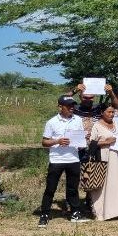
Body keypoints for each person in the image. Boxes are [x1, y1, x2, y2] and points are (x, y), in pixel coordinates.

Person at [38, 95, 89, 227]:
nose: (72, 108)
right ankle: (44, 214)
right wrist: (57, 141)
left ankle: (75, 213)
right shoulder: (52, 122)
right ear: (60, 107)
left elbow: (79, 137)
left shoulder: (77, 119)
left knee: (73, 189)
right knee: (51, 188)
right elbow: (44, 142)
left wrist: (82, 141)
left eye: (73, 105)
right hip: (57, 160)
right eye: (68, 106)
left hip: (73, 159)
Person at [88, 105, 118, 221]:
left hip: (117, 156)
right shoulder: (97, 125)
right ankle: (102, 212)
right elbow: (91, 144)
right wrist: (106, 142)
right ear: (101, 112)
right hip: (103, 156)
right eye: (109, 112)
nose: (111, 114)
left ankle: (116, 211)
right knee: (104, 183)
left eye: (113, 112)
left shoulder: (116, 124)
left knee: (116, 182)